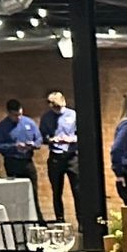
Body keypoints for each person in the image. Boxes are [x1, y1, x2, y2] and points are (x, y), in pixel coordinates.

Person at [37, 90, 78, 224]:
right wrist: (51, 140)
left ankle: (82, 221)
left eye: (59, 106)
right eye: (54, 107)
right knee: (56, 191)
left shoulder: (73, 115)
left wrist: (71, 140)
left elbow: (82, 134)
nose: (57, 109)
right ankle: (60, 221)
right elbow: (42, 137)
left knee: (77, 191)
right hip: (55, 157)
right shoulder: (46, 118)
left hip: (72, 156)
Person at [0, 99, 40, 186]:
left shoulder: (29, 122)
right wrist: (14, 146)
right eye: (15, 115)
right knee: (16, 190)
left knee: (33, 189)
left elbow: (39, 139)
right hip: (12, 162)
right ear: (8, 113)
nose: (18, 118)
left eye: (20, 114)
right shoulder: (2, 127)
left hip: (27, 161)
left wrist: (33, 145)